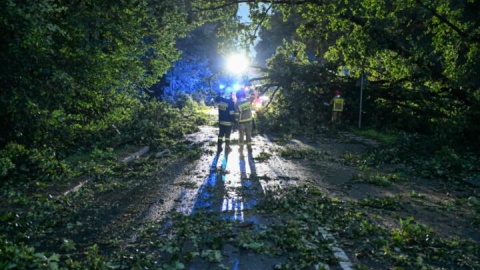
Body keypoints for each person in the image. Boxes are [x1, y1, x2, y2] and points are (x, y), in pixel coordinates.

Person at [235, 87, 258, 155]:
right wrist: (252, 90)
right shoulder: (248, 100)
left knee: (241, 136)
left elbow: (236, 114)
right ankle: (249, 148)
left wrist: (236, 122)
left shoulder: (237, 103)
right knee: (249, 135)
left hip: (241, 122)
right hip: (249, 121)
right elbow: (253, 96)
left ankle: (241, 148)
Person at [214, 87, 235, 153]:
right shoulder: (230, 101)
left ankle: (219, 147)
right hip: (228, 122)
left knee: (220, 134)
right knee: (227, 136)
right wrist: (234, 121)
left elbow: (215, 103)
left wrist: (219, 94)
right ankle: (227, 146)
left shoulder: (220, 100)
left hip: (221, 121)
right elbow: (231, 112)